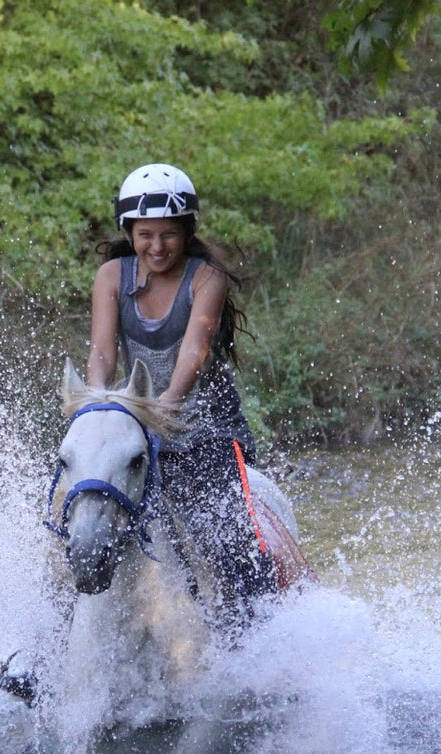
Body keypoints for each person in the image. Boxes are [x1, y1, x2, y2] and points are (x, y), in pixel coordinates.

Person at [86, 162, 276, 631]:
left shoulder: (206, 277)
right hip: (139, 426)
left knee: (227, 539)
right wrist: (98, 406)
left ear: (187, 231)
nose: (157, 246)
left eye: (169, 234)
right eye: (145, 235)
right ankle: (44, 649)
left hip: (208, 433)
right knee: (78, 516)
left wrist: (165, 407)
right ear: (129, 232)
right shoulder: (111, 276)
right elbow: (102, 354)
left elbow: (194, 352)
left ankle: (257, 633)